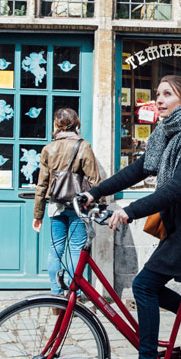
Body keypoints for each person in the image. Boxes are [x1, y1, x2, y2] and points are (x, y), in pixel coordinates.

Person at [81, 75, 181, 359]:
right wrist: (95, 193)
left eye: (167, 94)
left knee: (144, 286)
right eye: (157, 94)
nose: (159, 100)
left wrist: (129, 212)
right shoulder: (166, 134)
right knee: (149, 285)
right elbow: (138, 170)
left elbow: (177, 189)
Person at [32, 108, 103, 295]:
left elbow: (42, 184)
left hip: (56, 205)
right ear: (76, 123)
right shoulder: (83, 146)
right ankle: (74, 295)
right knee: (76, 250)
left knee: (55, 249)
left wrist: (37, 214)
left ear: (56, 125)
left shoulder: (48, 148)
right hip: (79, 205)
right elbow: (95, 180)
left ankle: (56, 295)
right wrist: (99, 205)